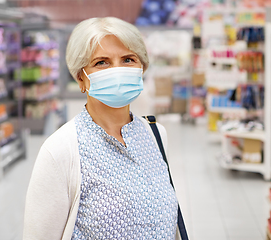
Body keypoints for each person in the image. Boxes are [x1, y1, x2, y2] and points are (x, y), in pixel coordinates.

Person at [23, 17, 180, 240]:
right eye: (101, 62)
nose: (118, 70)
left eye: (128, 59)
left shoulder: (155, 135)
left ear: (141, 68)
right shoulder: (60, 150)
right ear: (81, 78)